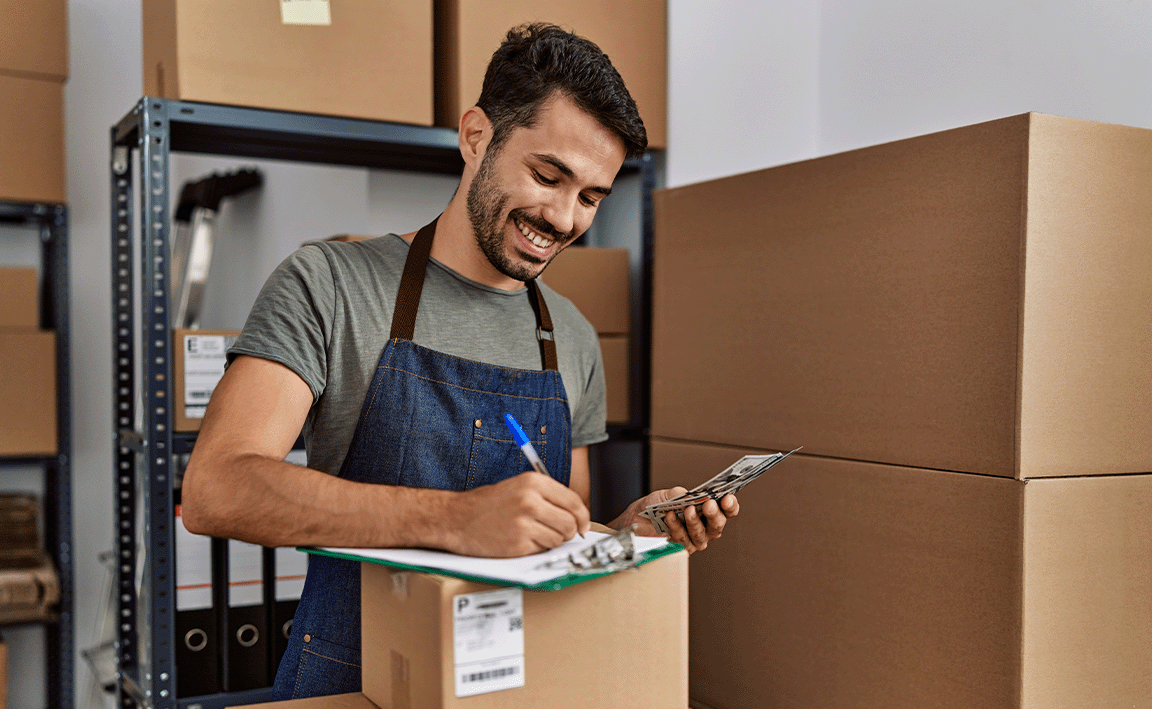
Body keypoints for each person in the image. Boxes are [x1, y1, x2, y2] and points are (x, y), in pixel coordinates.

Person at [181, 22, 740, 700]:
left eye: (591, 197)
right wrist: (451, 519)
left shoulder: (571, 335)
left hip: (516, 684)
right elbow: (216, 490)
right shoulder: (329, 282)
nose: (565, 217)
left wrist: (628, 532)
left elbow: (560, 533)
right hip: (357, 679)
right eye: (548, 175)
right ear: (477, 136)